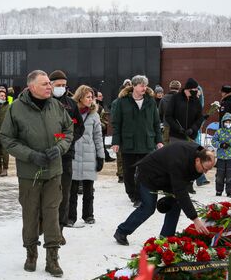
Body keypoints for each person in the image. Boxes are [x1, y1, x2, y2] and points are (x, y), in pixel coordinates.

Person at [0, 70, 73, 277]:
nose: (50, 87)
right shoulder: (16, 109)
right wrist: (30, 155)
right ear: (32, 87)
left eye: (50, 83)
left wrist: (59, 148)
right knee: (30, 214)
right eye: (45, 84)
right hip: (29, 173)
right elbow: (7, 138)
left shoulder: (57, 106)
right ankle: (31, 254)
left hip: (54, 171)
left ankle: (53, 259)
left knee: (52, 213)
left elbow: (68, 130)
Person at [113, 143, 214, 245]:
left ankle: (166, 238)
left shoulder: (198, 155)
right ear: (197, 160)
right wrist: (195, 219)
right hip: (149, 174)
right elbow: (181, 191)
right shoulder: (179, 161)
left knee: (176, 203)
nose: (205, 172)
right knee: (148, 207)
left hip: (167, 177)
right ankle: (122, 231)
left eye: (208, 170)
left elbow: (181, 187)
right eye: (205, 168)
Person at [111, 75, 163, 207]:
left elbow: (156, 123)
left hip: (147, 143)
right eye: (141, 85)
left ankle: (142, 196)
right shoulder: (122, 102)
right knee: (129, 173)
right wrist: (116, 142)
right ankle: (133, 194)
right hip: (129, 143)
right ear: (133, 86)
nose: (144, 88)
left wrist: (159, 140)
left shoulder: (151, 101)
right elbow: (116, 123)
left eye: (145, 85)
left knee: (145, 172)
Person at [48, 70, 84, 237]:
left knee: (64, 193)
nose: (61, 88)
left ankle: (59, 228)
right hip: (46, 155)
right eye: (58, 85)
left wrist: (66, 140)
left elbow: (78, 127)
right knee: (47, 192)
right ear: (50, 84)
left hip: (66, 155)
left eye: (64, 85)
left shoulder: (70, 104)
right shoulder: (44, 102)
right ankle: (44, 223)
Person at [69, 85, 105, 225]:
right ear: (80, 97)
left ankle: (88, 215)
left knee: (88, 190)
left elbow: (98, 137)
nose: (91, 100)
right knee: (71, 191)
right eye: (88, 97)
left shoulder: (94, 115)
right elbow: (62, 133)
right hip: (73, 154)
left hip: (90, 155)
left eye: (92, 97)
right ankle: (70, 217)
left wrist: (100, 156)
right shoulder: (70, 112)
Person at [211, 112, 231, 197]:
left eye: (229, 122)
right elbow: (213, 141)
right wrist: (221, 145)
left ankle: (230, 191)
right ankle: (219, 190)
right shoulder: (219, 131)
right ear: (223, 122)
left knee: (230, 175)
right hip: (221, 157)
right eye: (226, 122)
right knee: (219, 175)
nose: (227, 123)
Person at [165, 78, 205, 143]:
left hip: (191, 137)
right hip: (175, 136)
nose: (197, 91)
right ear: (188, 89)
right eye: (195, 89)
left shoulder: (196, 101)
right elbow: (168, 116)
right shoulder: (175, 98)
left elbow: (200, 118)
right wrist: (178, 128)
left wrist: (192, 129)